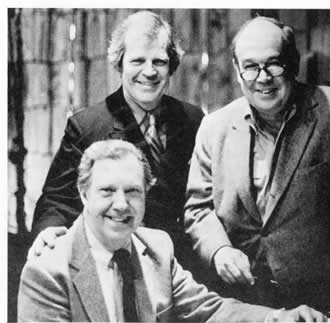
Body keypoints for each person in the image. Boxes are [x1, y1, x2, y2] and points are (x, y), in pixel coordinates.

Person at [184, 16, 330, 313]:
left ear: (292, 63)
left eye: (274, 64)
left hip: (328, 304)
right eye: (251, 67)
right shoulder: (214, 128)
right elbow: (197, 208)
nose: (263, 77)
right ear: (237, 70)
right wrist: (219, 250)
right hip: (248, 307)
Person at [18, 140, 326, 322]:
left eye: (133, 191)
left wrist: (279, 319)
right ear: (84, 194)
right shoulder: (46, 272)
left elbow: (211, 311)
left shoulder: (157, 248)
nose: (122, 205)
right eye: (107, 191)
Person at [29, 10, 203, 270]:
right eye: (137, 61)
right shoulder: (86, 127)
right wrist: (49, 231)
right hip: (115, 264)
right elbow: (57, 201)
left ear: (172, 66)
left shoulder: (193, 119)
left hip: (182, 267)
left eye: (159, 61)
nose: (149, 72)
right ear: (119, 63)